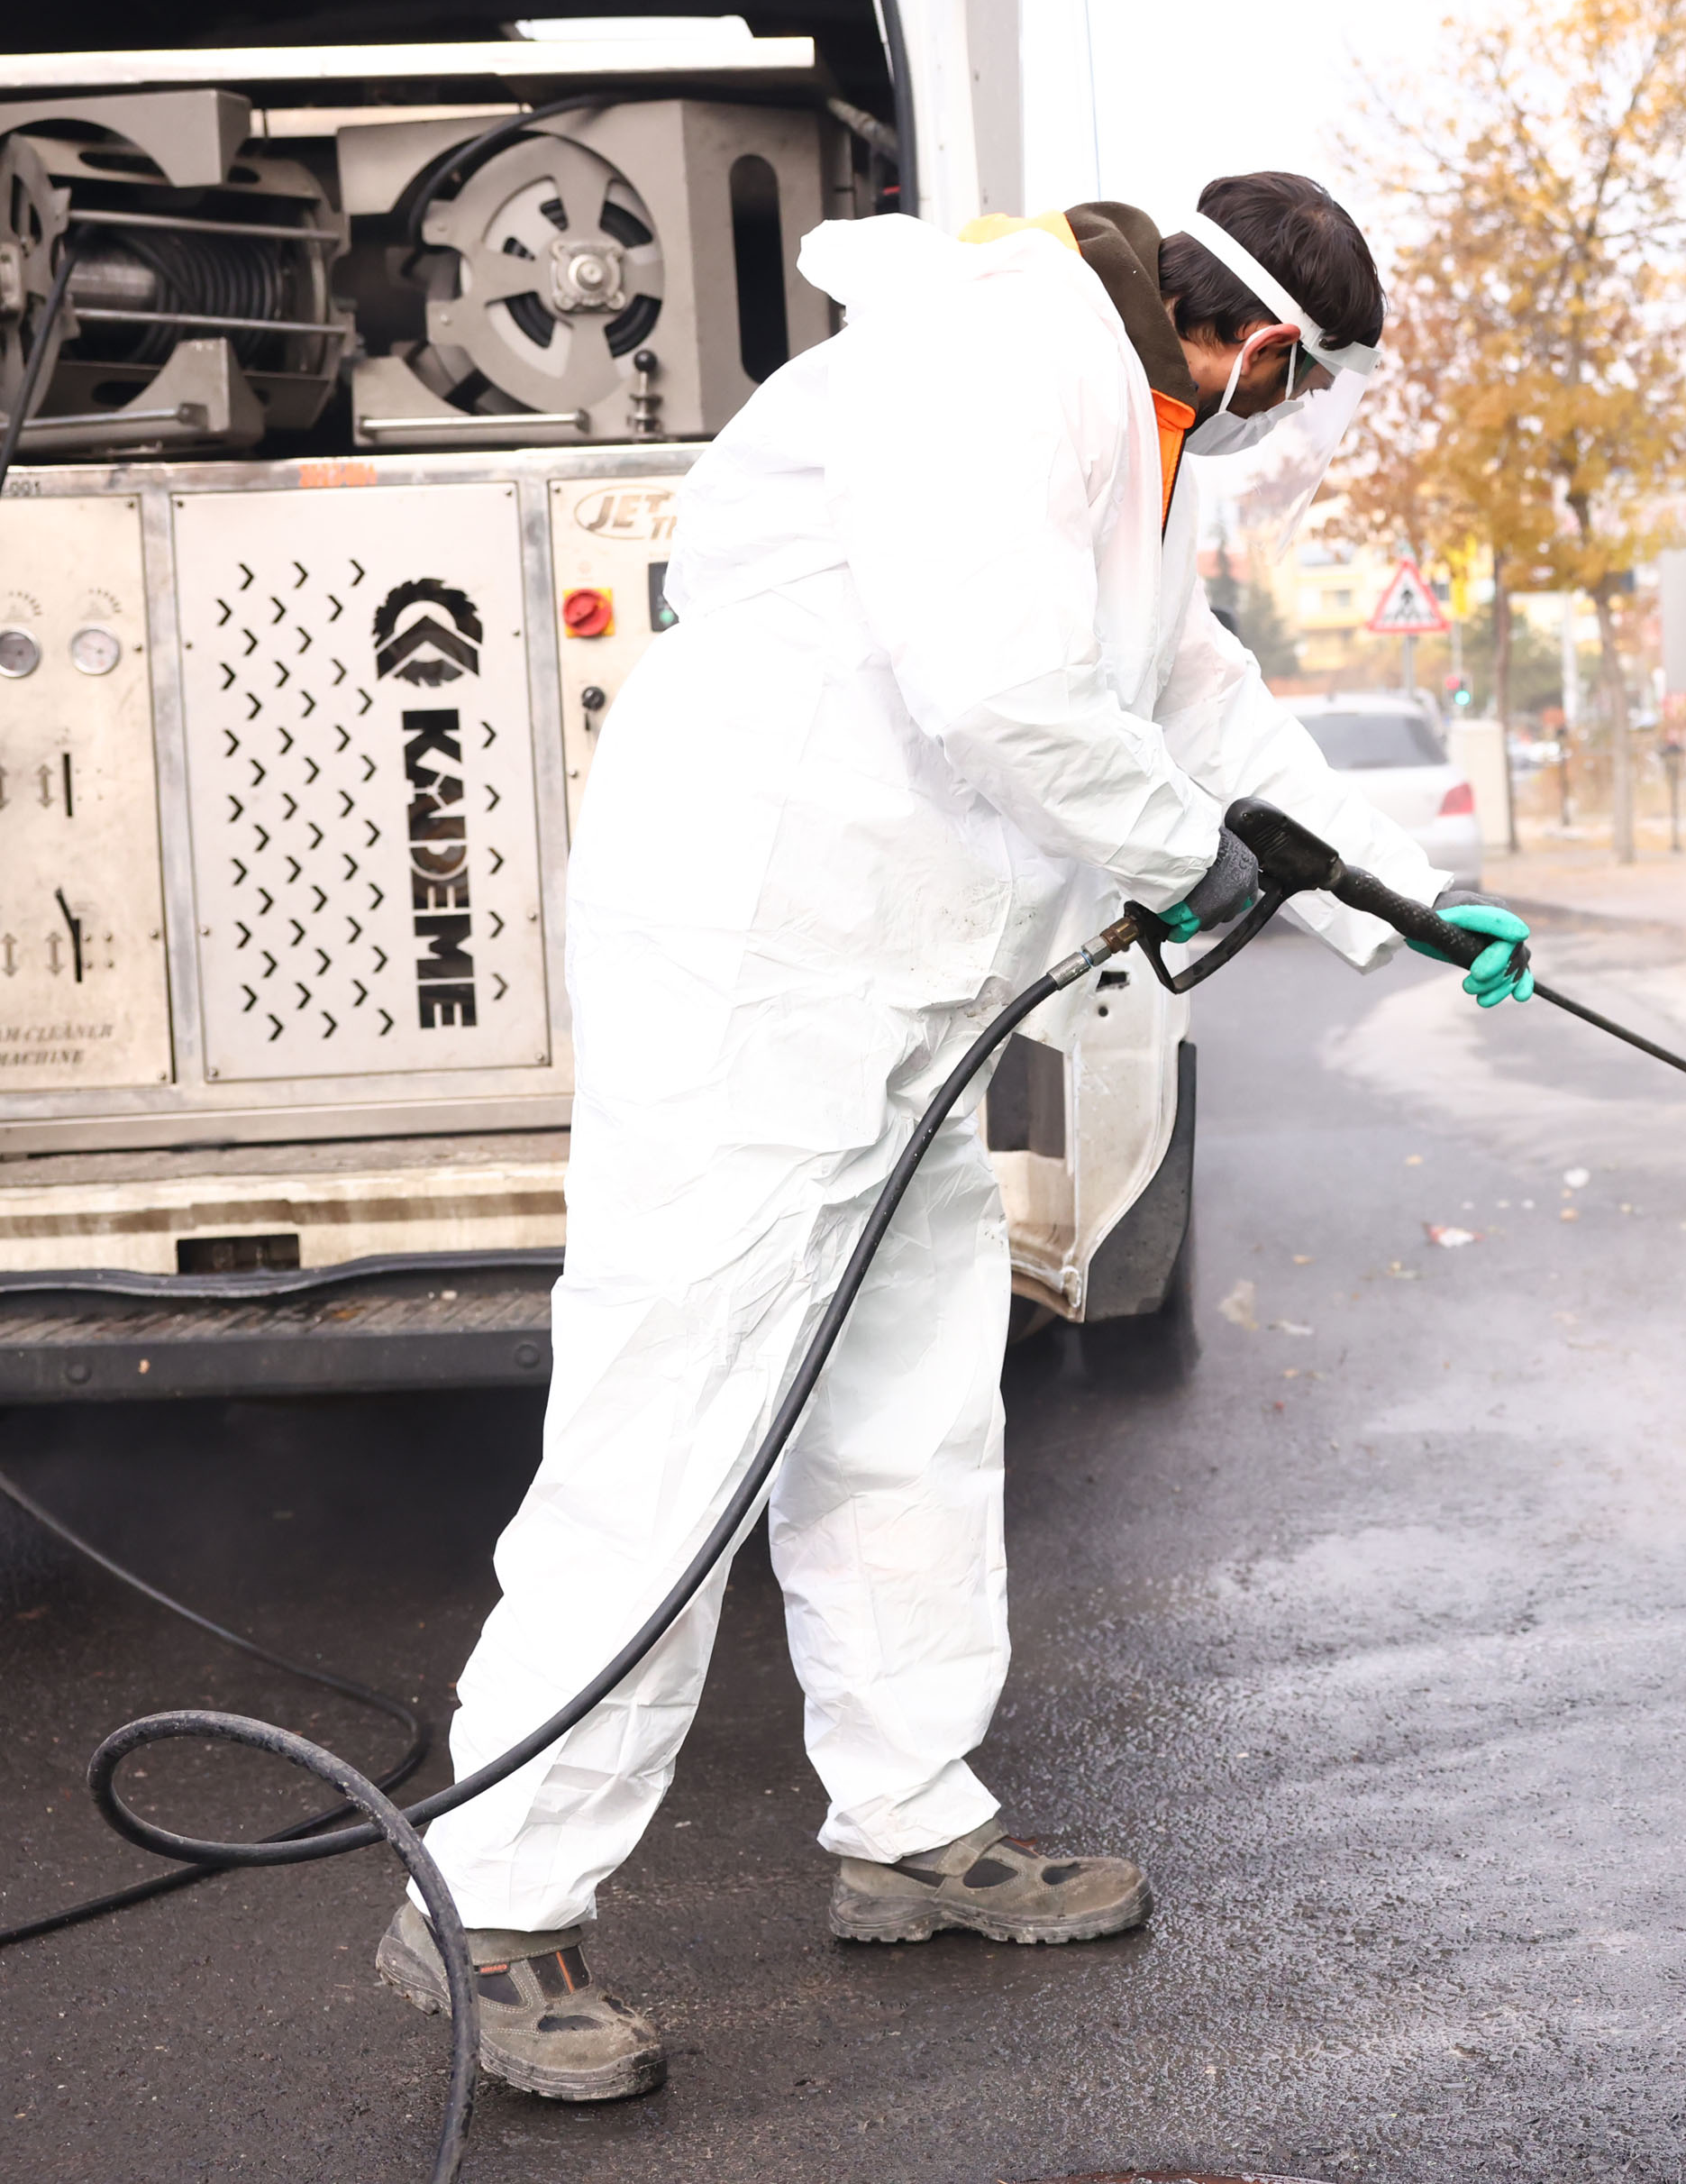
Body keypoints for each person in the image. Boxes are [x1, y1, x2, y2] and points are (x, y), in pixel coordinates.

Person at [372, 176, 1528, 2100]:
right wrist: (1187, 861)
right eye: (1295, 380)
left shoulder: (1131, 438)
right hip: (767, 946)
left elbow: (1196, 704)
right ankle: (484, 1899)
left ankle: (907, 1820)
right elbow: (995, 684)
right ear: (1256, 341)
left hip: (903, 979)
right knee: (680, 1413)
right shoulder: (1000, 358)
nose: (1279, 409)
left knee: (908, 1398)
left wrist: (1400, 899)